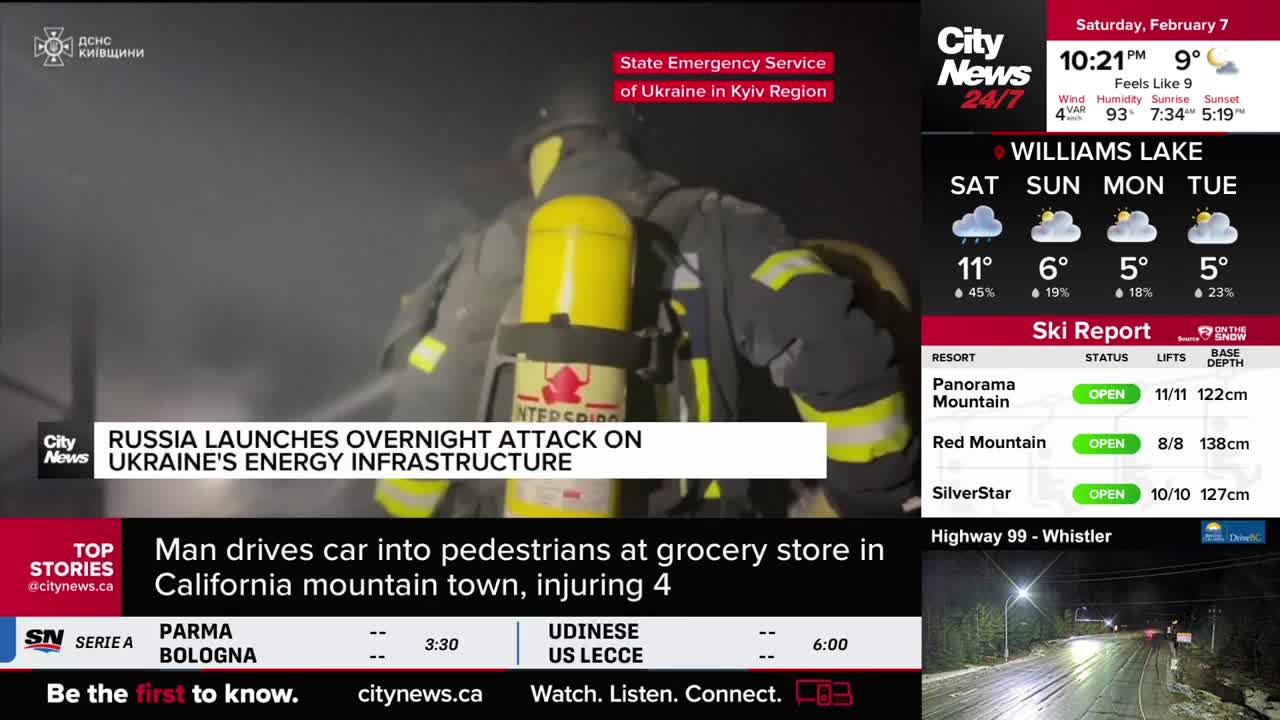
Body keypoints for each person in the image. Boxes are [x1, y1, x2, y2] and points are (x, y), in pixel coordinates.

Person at [377, 64, 919, 518]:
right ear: (629, 140)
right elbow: (836, 347)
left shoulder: (481, 253)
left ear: (539, 151)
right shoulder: (718, 224)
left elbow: (421, 425)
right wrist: (860, 499)